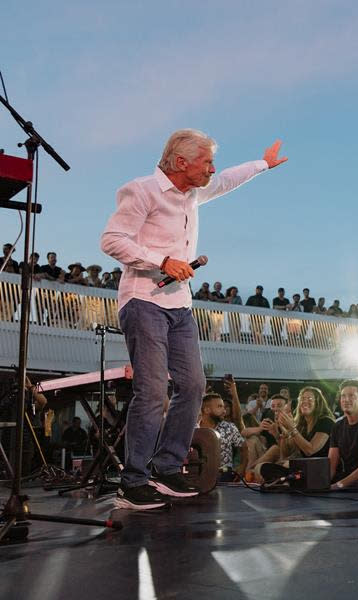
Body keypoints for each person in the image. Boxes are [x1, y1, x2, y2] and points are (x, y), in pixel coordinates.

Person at [100, 129, 287, 510]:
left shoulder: (194, 193)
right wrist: (163, 261)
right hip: (144, 300)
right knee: (152, 391)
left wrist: (263, 164)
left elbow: (227, 180)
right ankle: (132, 482)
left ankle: (167, 468)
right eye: (206, 163)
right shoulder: (141, 191)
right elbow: (112, 239)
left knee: (193, 385)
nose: (212, 170)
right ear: (181, 162)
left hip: (180, 306)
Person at [198, 393, 246, 481]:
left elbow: (244, 448)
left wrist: (242, 469)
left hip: (224, 475)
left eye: (223, 407)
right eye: (219, 406)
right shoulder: (194, 428)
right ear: (207, 410)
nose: (224, 411)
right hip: (198, 474)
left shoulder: (230, 427)